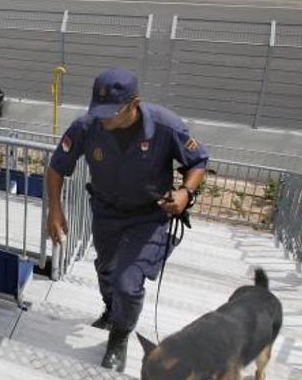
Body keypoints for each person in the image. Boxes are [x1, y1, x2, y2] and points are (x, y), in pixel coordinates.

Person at [47, 67, 208, 373]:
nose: (104, 118)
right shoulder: (87, 125)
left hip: (148, 216)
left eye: (112, 112)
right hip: (106, 211)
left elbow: (199, 160)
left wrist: (186, 192)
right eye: (99, 110)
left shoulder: (165, 126)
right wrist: (54, 210)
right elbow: (57, 168)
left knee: (127, 283)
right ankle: (111, 310)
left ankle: (119, 336)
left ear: (134, 104)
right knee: (105, 268)